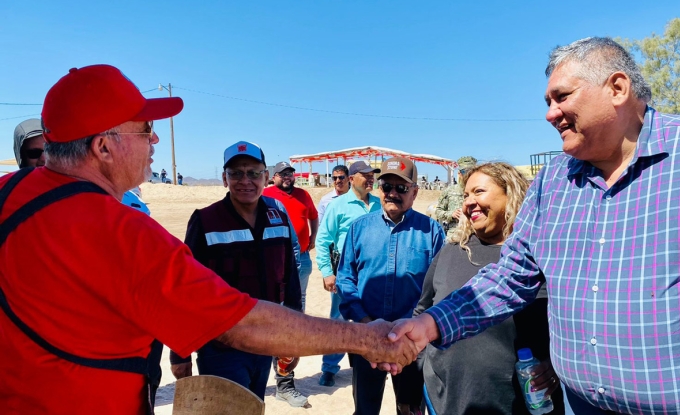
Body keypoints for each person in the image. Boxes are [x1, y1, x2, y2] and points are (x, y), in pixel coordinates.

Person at [0, 64, 417, 415]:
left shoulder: (8, 193)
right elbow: (242, 324)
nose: (156, 141)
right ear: (104, 147)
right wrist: (366, 339)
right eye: (146, 130)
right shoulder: (120, 233)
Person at [387, 37, 680, 415]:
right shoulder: (554, 180)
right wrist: (431, 324)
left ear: (617, 88)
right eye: (547, 103)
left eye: (562, 97)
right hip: (580, 406)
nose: (550, 114)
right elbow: (509, 278)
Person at [415, 162, 563, 415]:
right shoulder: (452, 251)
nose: (468, 202)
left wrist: (557, 367)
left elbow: (574, 325)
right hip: (445, 400)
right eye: (465, 195)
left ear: (511, 194)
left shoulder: (542, 257)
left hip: (520, 403)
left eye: (478, 192)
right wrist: (416, 379)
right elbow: (423, 310)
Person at [169, 141, 303, 403]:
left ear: (266, 177)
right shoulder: (205, 221)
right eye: (236, 173)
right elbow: (183, 289)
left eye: (253, 173)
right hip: (222, 348)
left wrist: (294, 337)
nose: (245, 181)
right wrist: (179, 352)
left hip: (266, 341)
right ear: (224, 179)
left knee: (255, 405)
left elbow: (290, 280)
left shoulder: (278, 216)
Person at [337, 156, 445, 415]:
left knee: (410, 409)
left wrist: (419, 329)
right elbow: (345, 279)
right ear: (379, 189)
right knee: (365, 408)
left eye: (402, 188)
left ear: (415, 192)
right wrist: (364, 322)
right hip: (366, 337)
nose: (393, 194)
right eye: (387, 187)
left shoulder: (432, 231)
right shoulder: (359, 229)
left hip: (413, 343)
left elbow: (440, 288)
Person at [315, 160, 381, 387]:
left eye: (373, 175)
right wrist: (326, 272)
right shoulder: (338, 206)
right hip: (345, 275)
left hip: (373, 275)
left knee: (368, 319)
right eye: (366, 175)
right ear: (352, 179)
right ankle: (329, 369)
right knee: (340, 322)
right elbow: (323, 241)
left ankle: (363, 364)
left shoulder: (378, 204)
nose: (371, 178)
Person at [262, 160, 319, 406]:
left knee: (293, 318)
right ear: (272, 177)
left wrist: (311, 241)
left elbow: (312, 219)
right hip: (270, 268)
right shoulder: (264, 196)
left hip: (300, 261)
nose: (287, 177)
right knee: (267, 321)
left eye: (290, 173)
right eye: (283, 174)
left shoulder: (302, 194)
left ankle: (285, 383)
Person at [435, 155, 477, 238]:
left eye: (472, 172)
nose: (468, 175)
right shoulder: (450, 191)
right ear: (459, 173)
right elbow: (438, 211)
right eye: (465, 172)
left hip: (476, 236)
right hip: (455, 236)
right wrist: (451, 214)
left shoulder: (480, 192)